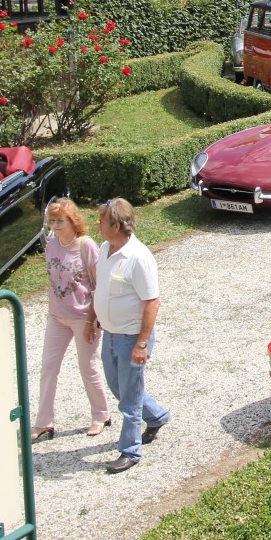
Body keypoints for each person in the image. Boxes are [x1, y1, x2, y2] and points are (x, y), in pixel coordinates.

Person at [90, 198, 169, 473]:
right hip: (111, 334)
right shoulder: (105, 249)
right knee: (120, 387)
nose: (97, 225)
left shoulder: (138, 257)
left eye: (101, 221)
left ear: (116, 224)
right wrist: (95, 318)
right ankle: (157, 416)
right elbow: (101, 288)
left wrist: (142, 343)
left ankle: (130, 450)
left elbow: (152, 302)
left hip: (131, 338)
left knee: (129, 398)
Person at [32, 199, 111, 443]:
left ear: (72, 221)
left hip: (82, 317)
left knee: (88, 367)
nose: (55, 226)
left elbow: (100, 285)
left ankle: (101, 414)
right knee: (48, 367)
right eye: (52, 221)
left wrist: (92, 320)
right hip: (57, 317)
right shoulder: (51, 245)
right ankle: (44, 422)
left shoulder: (87, 246)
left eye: (60, 221)